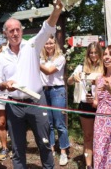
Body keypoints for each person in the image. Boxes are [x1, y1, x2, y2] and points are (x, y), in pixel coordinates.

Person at [0, 0, 63, 169]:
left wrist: (57, 10)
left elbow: (47, 28)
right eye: (11, 31)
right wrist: (4, 84)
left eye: (18, 29)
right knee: (17, 147)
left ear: (22, 30)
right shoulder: (2, 56)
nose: (15, 33)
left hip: (36, 102)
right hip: (14, 105)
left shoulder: (32, 45)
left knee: (45, 143)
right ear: (5, 34)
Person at [67, 42, 104, 169]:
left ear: (100, 53)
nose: (93, 55)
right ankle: (89, 165)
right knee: (88, 135)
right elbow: (69, 81)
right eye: (91, 53)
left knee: (100, 136)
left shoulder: (104, 67)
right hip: (85, 106)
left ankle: (100, 161)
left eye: (96, 52)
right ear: (88, 54)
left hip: (102, 105)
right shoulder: (80, 67)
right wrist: (74, 78)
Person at [40, 35, 69, 166]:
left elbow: (49, 71)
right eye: (46, 44)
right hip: (44, 91)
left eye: (51, 43)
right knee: (48, 123)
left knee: (60, 123)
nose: (49, 46)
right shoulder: (41, 59)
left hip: (58, 91)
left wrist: (36, 62)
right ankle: (51, 149)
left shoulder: (60, 58)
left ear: (55, 44)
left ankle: (63, 152)